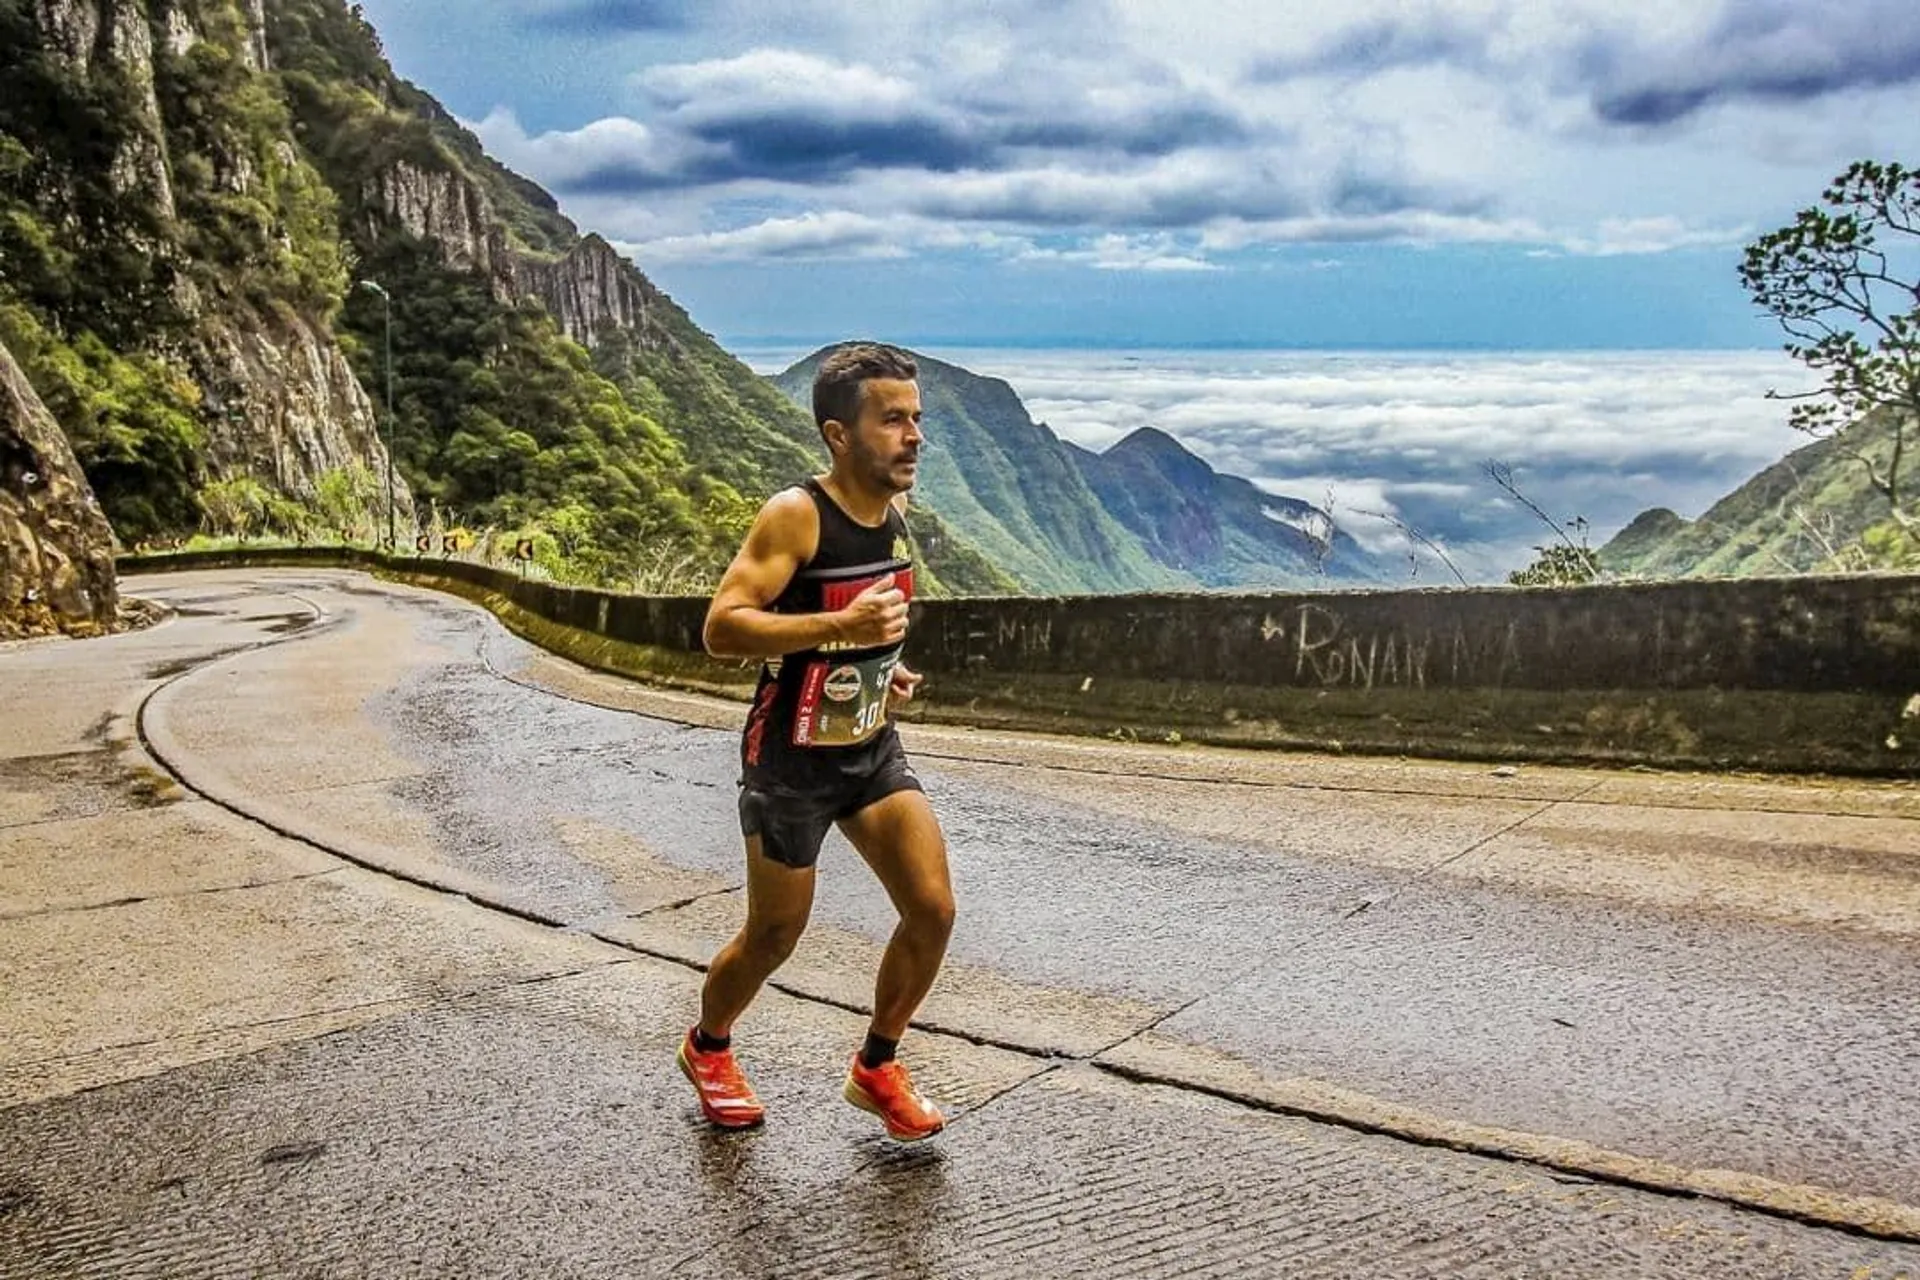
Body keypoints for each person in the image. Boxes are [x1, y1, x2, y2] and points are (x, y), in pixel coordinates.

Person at [677, 343, 956, 1142]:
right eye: (892, 419)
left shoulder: (894, 517)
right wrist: (841, 627)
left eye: (917, 418)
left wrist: (883, 667)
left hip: (869, 747)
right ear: (839, 434)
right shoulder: (796, 514)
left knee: (931, 908)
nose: (913, 436)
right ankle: (709, 1045)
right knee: (774, 935)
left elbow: (866, 628)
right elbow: (722, 628)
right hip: (790, 761)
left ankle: (877, 1066)